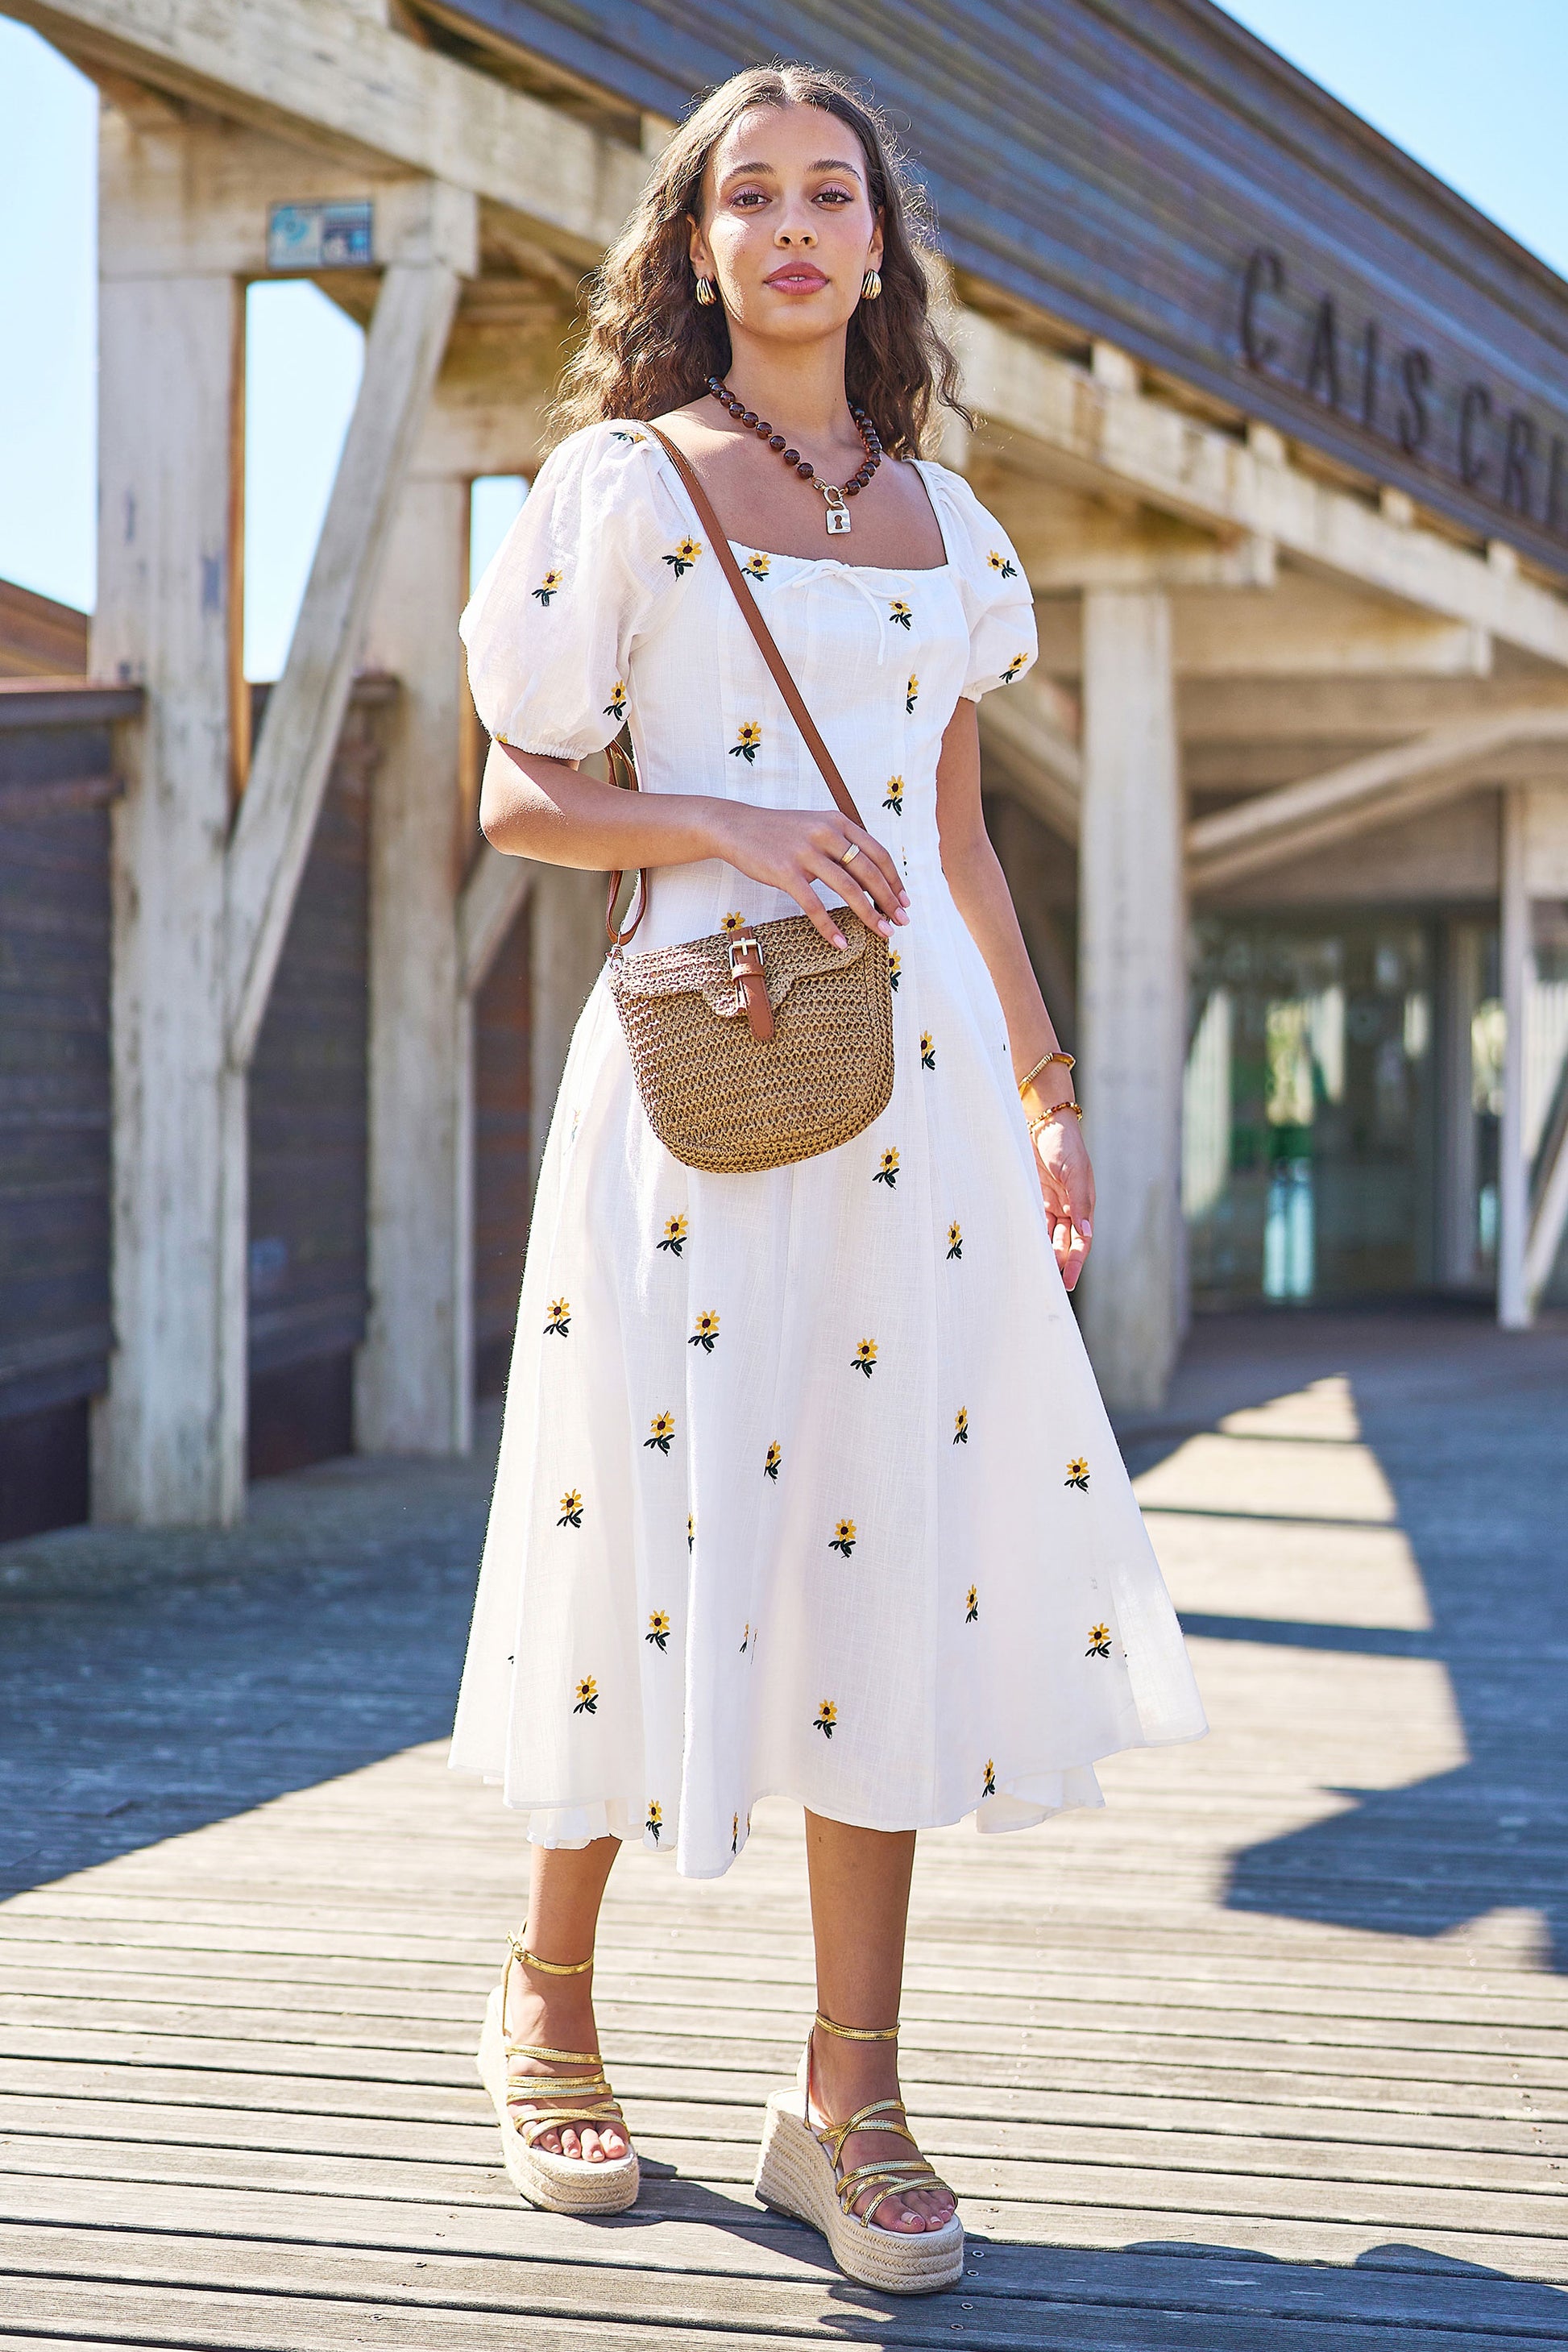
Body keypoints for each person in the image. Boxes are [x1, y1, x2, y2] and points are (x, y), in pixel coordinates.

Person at [450, 60, 1205, 2294]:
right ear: (695, 244)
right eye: (746, 195)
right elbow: (517, 798)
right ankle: (547, 2000)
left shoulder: (951, 525)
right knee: (638, 1498)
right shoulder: (616, 485)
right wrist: (727, 825)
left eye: (828, 195)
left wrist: (1050, 1088)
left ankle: (845, 2089)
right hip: (699, 1071)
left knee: (898, 1539)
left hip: (926, 1105)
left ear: (878, 245)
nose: (789, 228)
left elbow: (958, 834)